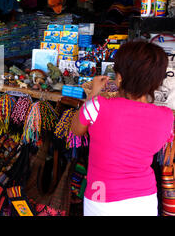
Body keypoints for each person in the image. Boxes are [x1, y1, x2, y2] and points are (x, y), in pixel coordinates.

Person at [71, 40, 174, 216]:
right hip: (145, 199)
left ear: (119, 78)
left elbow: (76, 130)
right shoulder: (167, 117)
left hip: (102, 197)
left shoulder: (97, 106)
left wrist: (93, 94)